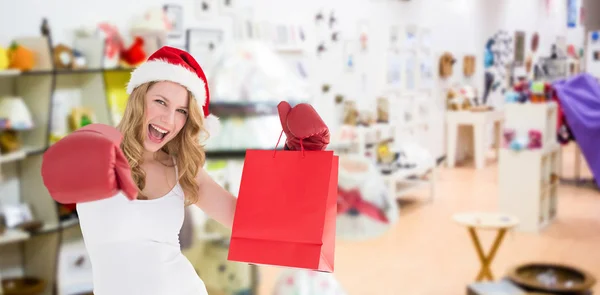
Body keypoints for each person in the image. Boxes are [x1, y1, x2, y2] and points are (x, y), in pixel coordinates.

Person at [41, 46, 330, 295]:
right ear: (138, 98)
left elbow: (250, 223)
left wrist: (299, 160)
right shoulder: (95, 153)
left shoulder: (181, 168)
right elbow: (56, 178)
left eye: (181, 110)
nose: (169, 119)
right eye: (161, 102)